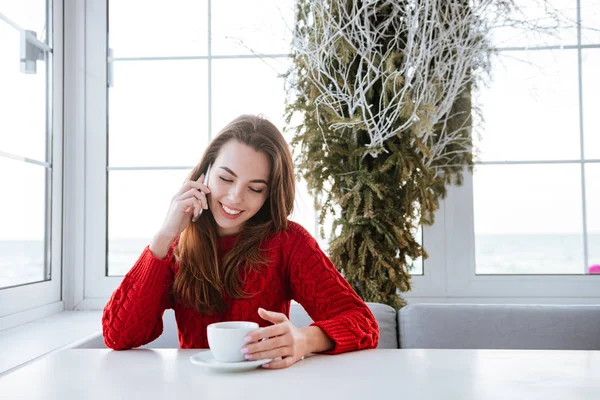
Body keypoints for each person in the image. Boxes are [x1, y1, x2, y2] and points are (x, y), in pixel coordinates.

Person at [102, 114, 379, 369]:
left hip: (267, 386)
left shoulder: (288, 242)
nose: (235, 197)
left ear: (269, 194)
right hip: (195, 390)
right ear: (205, 171)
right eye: (226, 178)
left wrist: (304, 340)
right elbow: (118, 335)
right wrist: (164, 236)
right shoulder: (174, 247)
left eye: (255, 188)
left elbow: (363, 323)